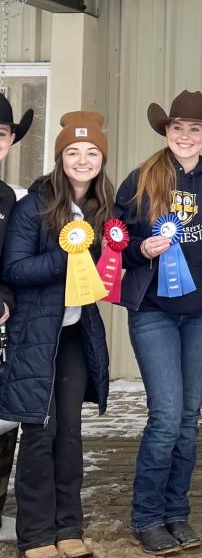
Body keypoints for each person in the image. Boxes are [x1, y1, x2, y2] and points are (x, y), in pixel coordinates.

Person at [114, 91, 202, 555]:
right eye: (177, 128)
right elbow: (117, 238)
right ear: (166, 133)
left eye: (195, 129)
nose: (185, 136)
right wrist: (139, 250)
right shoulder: (140, 179)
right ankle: (146, 516)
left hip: (201, 313)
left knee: (189, 419)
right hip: (154, 313)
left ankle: (177, 513)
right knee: (166, 417)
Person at [0, 111, 113, 558]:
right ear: (59, 157)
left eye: (91, 153)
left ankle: (69, 527)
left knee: (69, 432)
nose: (82, 160)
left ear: (101, 159)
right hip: (35, 332)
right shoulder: (34, 205)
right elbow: (14, 268)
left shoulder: (104, 209)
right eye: (72, 152)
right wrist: (66, 259)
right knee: (39, 430)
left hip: (73, 332)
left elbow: (111, 265)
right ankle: (35, 535)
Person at [0, 93, 32, 533]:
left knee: (4, 420)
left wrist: (5, 298)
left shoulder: (9, 198)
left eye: (1, 134)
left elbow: (10, 262)